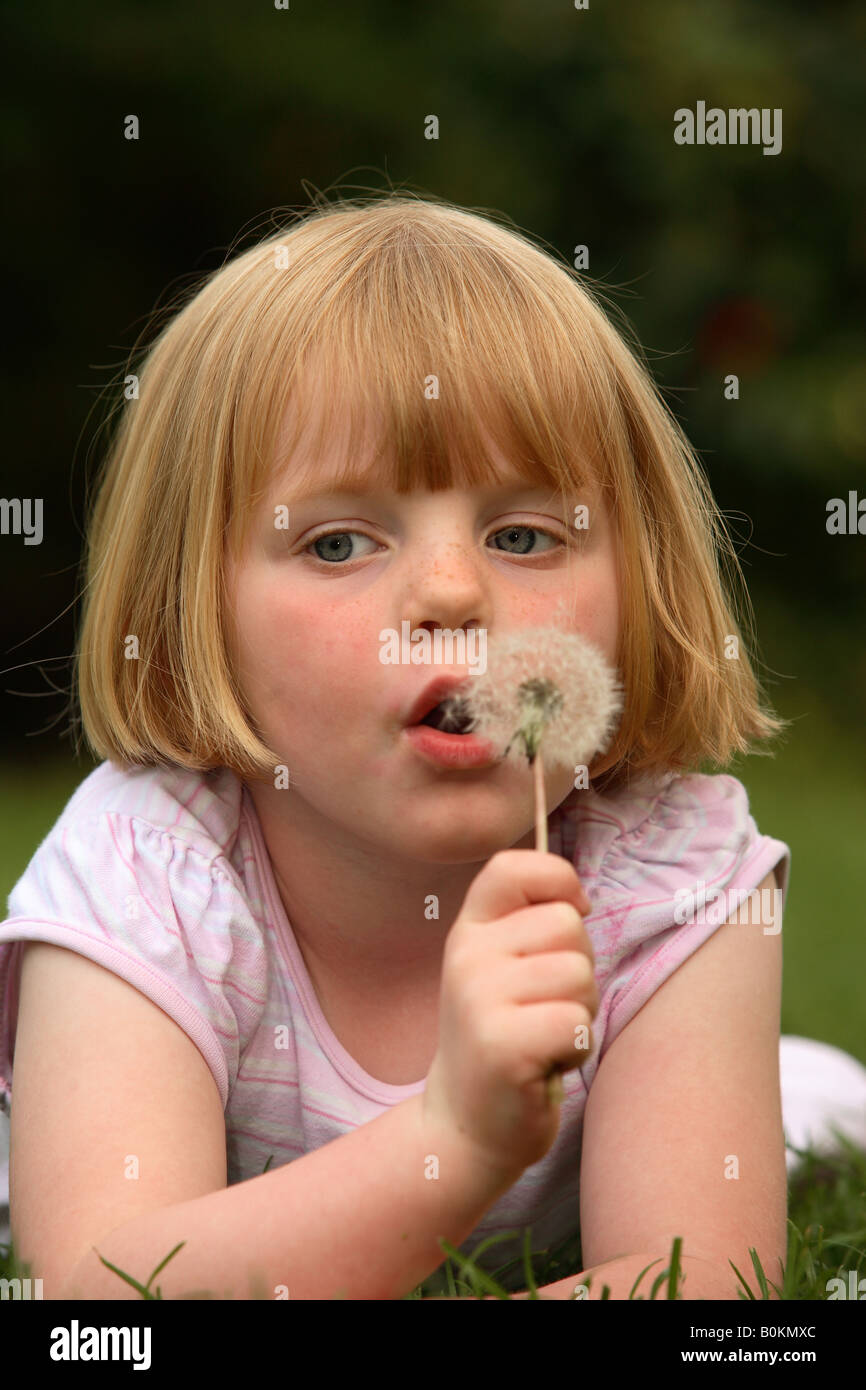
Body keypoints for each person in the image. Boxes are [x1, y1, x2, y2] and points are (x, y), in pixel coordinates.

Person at [1, 194, 864, 1300]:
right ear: (186, 610)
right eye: (337, 540)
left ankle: (788, 1098)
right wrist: (453, 1134)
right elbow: (100, 1300)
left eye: (522, 536)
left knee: (772, 1126)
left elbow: (694, 1291)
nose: (453, 592)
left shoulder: (671, 873)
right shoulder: (144, 876)